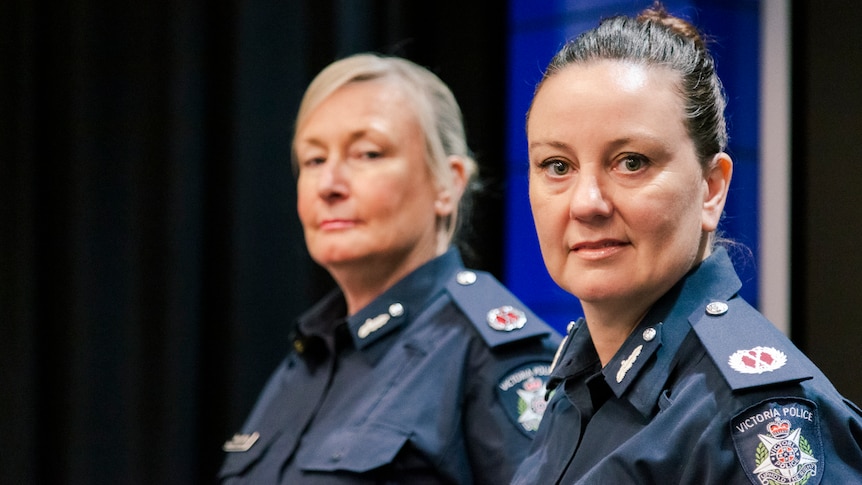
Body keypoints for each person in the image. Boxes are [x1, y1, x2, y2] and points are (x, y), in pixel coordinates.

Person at [511, 4, 862, 484]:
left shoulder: (758, 421)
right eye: (556, 166)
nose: (586, 203)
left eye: (630, 162)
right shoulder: (574, 389)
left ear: (711, 188)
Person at [217, 53, 560, 484]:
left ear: (447, 184)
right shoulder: (309, 358)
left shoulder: (496, 357)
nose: (330, 185)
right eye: (313, 160)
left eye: (367, 153)